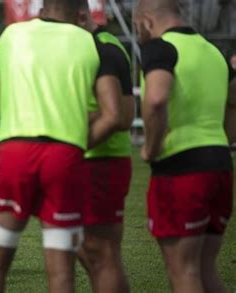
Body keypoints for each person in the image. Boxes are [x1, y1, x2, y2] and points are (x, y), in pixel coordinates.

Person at [0, 0, 128, 292]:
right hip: (65, 155)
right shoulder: (91, 43)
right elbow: (113, 114)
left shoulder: (9, 36)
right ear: (81, 13)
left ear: (41, 7)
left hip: (15, 152)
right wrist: (75, 143)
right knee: (62, 275)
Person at [134, 0, 235, 292]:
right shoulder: (212, 50)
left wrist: (150, 148)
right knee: (206, 268)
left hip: (180, 168)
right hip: (220, 167)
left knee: (184, 271)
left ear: (148, 21)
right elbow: (234, 99)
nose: (138, 32)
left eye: (136, 26)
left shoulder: (160, 48)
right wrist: (223, 139)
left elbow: (155, 98)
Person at [75, 1, 134, 292]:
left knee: (101, 255)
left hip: (100, 160)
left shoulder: (101, 49)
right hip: (103, 160)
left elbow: (121, 115)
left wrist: (72, 122)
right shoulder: (105, 44)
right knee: (97, 253)